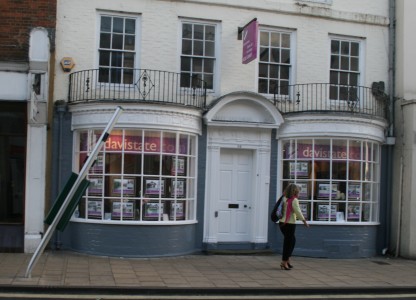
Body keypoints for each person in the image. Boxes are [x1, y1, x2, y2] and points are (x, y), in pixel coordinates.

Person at [278, 183, 309, 270]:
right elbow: (298, 212)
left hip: (282, 223)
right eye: (298, 190)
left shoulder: (284, 198)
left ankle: (287, 260)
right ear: (295, 191)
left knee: (291, 241)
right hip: (289, 224)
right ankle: (284, 262)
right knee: (288, 243)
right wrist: (304, 222)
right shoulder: (294, 200)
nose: (299, 192)